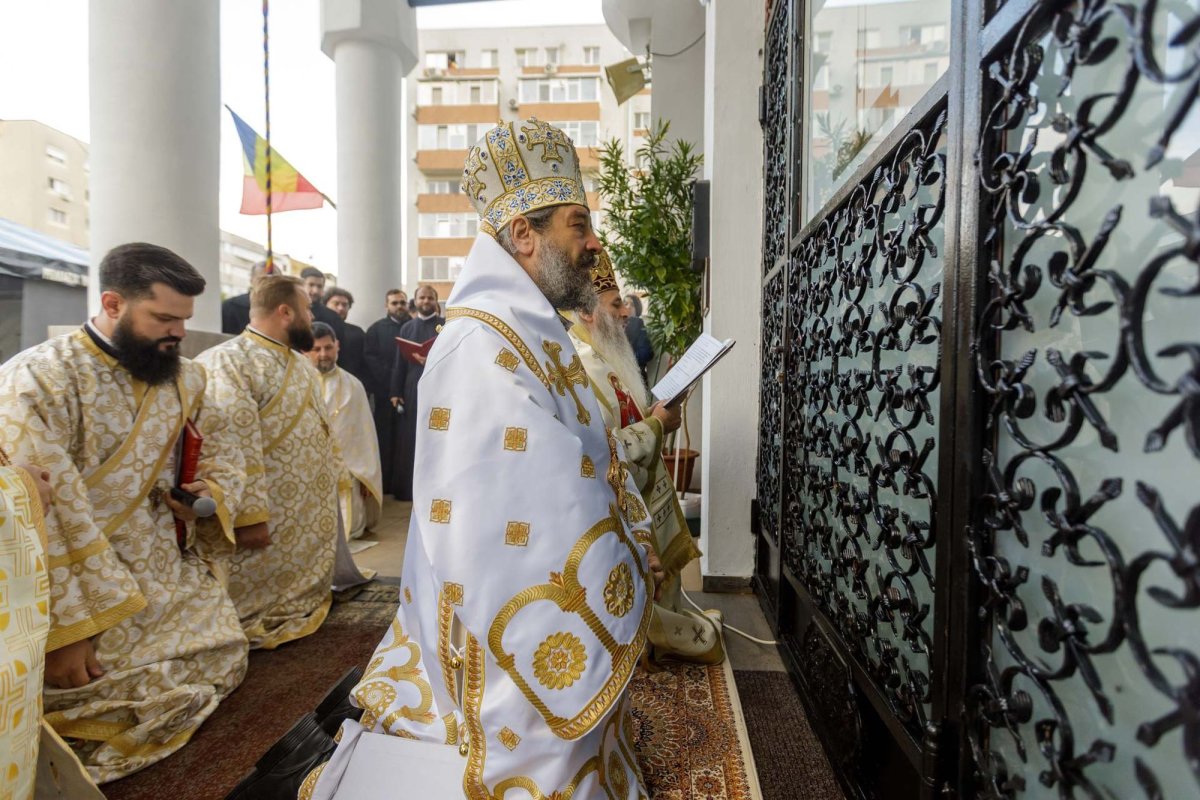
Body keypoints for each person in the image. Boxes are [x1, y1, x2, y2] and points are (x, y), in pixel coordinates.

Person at [305, 119, 661, 800]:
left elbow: (585, 454)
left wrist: (631, 531)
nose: (593, 244)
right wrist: (620, 554)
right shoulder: (481, 347)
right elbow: (517, 512)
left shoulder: (533, 334)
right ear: (523, 237)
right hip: (493, 639)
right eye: (577, 224)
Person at [0, 243, 249, 782]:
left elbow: (222, 454)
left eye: (183, 319)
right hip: (80, 584)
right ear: (112, 304)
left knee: (227, 647)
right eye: (163, 317)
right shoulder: (38, 380)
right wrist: (70, 631)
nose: (178, 333)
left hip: (161, 559)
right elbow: (40, 512)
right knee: (94, 684)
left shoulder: (187, 379)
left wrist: (207, 493)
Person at [564, 253, 722, 665]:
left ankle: (656, 627)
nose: (626, 312)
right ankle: (644, 635)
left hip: (637, 495)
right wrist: (656, 426)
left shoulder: (606, 358)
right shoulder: (581, 367)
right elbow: (601, 451)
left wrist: (658, 414)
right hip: (607, 507)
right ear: (587, 312)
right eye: (616, 305)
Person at [194, 274, 344, 650]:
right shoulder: (229, 362)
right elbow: (231, 447)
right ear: (285, 311)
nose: (312, 317)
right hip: (269, 511)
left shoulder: (299, 361)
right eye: (307, 310)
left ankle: (303, 600)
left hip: (304, 506)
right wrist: (249, 517)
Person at [306, 322, 383, 539]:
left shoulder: (354, 386)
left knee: (353, 526)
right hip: (307, 469)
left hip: (347, 472)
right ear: (305, 351)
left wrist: (366, 476)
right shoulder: (296, 383)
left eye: (328, 348)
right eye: (316, 349)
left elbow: (364, 436)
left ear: (337, 346)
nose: (324, 354)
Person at [387, 284, 443, 501]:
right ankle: (408, 490)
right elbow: (398, 364)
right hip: (412, 388)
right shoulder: (407, 328)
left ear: (436, 301)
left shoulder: (445, 326)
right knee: (411, 438)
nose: (426, 302)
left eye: (430, 298)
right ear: (415, 300)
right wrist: (395, 392)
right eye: (422, 298)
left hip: (439, 388)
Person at [364, 289, 409, 489]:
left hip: (409, 393)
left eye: (402, 302)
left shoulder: (412, 327)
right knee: (385, 438)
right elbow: (371, 358)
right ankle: (387, 482)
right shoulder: (375, 329)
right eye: (394, 303)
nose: (399, 306)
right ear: (386, 306)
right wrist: (391, 382)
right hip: (384, 394)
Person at [322, 286, 370, 386]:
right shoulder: (314, 330)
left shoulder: (357, 332)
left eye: (345, 305)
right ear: (325, 305)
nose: (340, 308)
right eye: (336, 304)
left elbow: (365, 362)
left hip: (350, 385)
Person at [221, 260, 270, 335]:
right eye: (263, 280)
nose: (270, 284)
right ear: (251, 280)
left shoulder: (287, 310)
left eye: (277, 281)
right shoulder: (230, 306)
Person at [299, 266, 347, 341]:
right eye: (311, 285)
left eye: (319, 286)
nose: (315, 291)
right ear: (301, 285)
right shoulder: (290, 313)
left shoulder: (334, 318)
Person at [623, 293, 653, 381]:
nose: (627, 307)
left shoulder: (638, 323)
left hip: (634, 374)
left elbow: (647, 353)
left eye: (632, 305)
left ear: (637, 310)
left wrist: (626, 358)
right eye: (625, 303)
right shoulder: (616, 323)